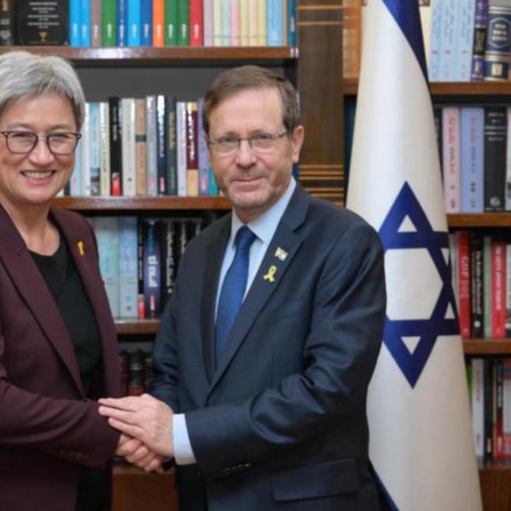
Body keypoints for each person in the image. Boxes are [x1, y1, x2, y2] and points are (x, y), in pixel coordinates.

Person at [99, 66, 387, 510]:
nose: (245, 157)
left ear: (296, 142)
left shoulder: (345, 242)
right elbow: (174, 372)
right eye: (227, 140)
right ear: (209, 150)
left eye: (262, 138)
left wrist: (179, 435)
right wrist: (151, 433)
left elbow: (327, 389)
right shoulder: (200, 251)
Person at [0, 51, 161, 511]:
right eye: (20, 136)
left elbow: (84, 374)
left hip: (79, 488)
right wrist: (117, 431)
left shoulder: (77, 234)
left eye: (59, 137)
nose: (42, 156)